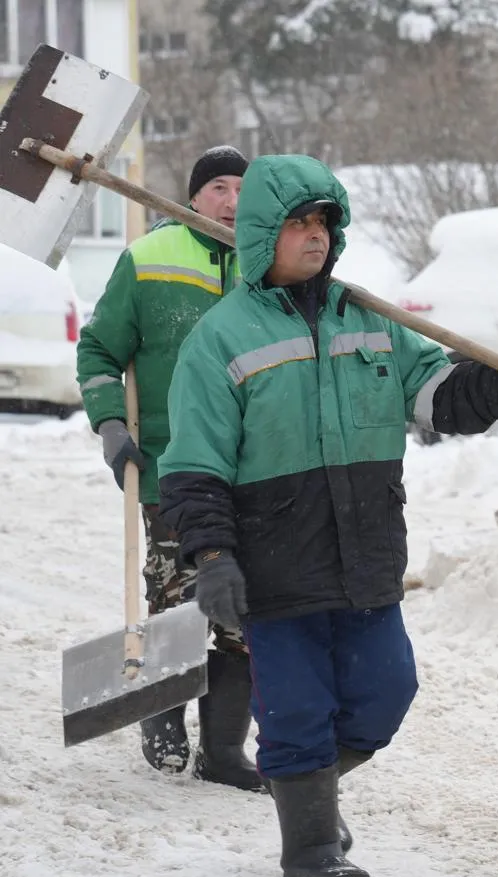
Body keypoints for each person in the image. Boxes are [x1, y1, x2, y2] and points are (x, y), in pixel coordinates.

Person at [158, 154, 498, 877]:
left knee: (386, 689)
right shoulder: (222, 338)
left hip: (367, 551)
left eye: (323, 223)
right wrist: (212, 554)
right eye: (297, 223)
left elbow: (439, 397)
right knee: (298, 706)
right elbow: (194, 464)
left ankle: (306, 791)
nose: (314, 236)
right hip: (276, 563)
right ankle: (308, 846)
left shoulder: (369, 320)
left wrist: (497, 386)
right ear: (260, 236)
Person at [75, 145, 258, 786]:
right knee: (179, 600)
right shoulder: (149, 258)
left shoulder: (269, 264)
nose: (232, 202)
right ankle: (163, 723)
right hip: (171, 469)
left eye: (242, 188)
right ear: (194, 196)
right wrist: (111, 422)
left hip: (256, 471)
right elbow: (100, 345)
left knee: (244, 608)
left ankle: (225, 751)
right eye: (219, 189)